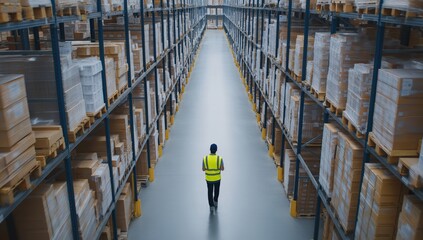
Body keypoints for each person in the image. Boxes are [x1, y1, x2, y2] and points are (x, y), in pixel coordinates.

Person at [202, 143, 224, 213]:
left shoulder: (205, 158)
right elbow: (222, 168)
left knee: (210, 191)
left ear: (210, 149)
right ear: (216, 150)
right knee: (216, 190)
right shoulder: (219, 158)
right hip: (217, 178)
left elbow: (203, 169)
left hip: (208, 178)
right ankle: (215, 201)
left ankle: (211, 205)